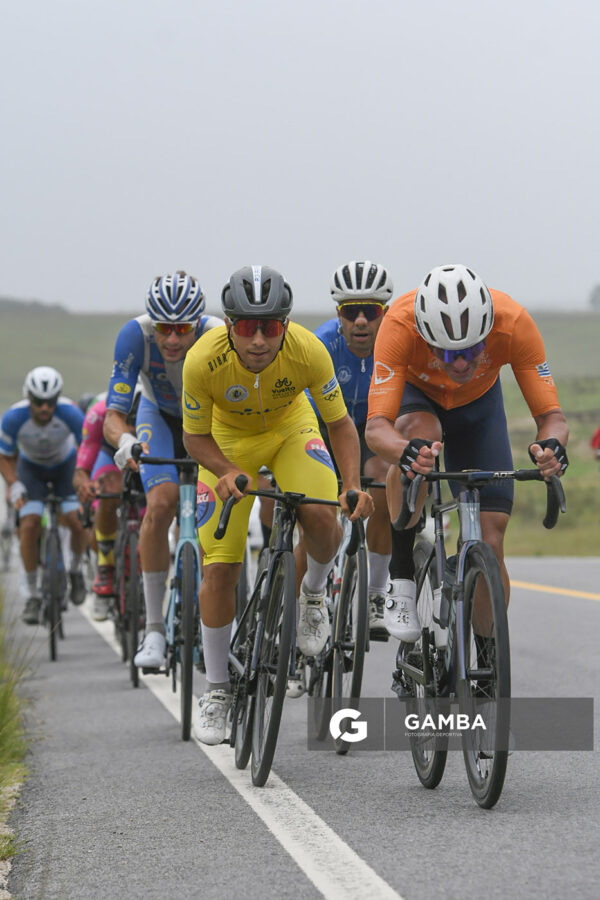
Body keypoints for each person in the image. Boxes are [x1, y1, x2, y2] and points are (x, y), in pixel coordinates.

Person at [182, 264, 374, 744]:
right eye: (248, 327)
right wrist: (225, 471)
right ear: (229, 325)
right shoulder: (201, 360)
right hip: (227, 445)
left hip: (293, 430)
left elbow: (342, 426)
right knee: (220, 568)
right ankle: (219, 689)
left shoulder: (307, 350)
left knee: (320, 513)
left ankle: (312, 593)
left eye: (271, 326)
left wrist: (351, 483)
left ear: (285, 324)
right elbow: (193, 435)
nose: (260, 340)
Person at [365, 264, 568, 641]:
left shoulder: (513, 322)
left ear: (488, 331)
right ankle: (402, 576)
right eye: (444, 351)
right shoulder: (398, 324)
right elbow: (377, 429)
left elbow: (551, 417)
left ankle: (489, 657)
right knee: (419, 439)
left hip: (478, 408)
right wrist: (404, 452)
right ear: (424, 335)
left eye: (471, 349)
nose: (458, 363)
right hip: (419, 399)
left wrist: (553, 447)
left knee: (491, 540)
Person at [103, 271, 221, 666]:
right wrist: (126, 442)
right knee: (160, 504)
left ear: (197, 324)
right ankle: (153, 631)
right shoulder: (133, 335)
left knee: (214, 516)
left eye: (182, 328)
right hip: (158, 414)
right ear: (152, 324)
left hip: (208, 421)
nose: (171, 339)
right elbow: (114, 416)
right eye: (163, 329)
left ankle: (219, 624)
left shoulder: (217, 335)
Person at [303, 260, 394, 639]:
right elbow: (304, 412)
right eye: (349, 312)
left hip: (371, 427)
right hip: (327, 428)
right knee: (319, 508)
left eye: (370, 312)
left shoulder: (394, 345)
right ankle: (312, 593)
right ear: (338, 315)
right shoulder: (321, 344)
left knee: (387, 484)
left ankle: (376, 594)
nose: (360, 321)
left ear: (384, 314)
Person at [0, 366, 87, 622]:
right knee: (28, 525)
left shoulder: (70, 412)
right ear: (29, 398)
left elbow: (87, 447)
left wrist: (83, 478)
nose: (44, 409)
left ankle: (76, 570)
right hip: (31, 470)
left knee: (76, 519)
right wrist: (14, 483)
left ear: (56, 399)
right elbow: (4, 456)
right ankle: (31, 595)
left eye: (49, 402)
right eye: (38, 403)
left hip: (66, 466)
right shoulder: (13, 418)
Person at [73, 391, 138, 621]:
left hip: (147, 448)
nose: (130, 427)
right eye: (127, 419)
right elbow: (82, 468)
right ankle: (105, 566)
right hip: (109, 452)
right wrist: (86, 485)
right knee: (108, 494)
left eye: (133, 419)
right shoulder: (98, 414)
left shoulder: (160, 405)